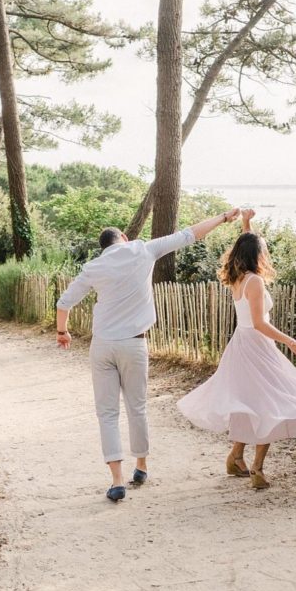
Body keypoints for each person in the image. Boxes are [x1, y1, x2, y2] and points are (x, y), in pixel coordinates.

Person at [56, 209, 240, 502]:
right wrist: (222, 218)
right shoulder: (143, 250)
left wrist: (63, 333)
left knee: (106, 413)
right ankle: (140, 466)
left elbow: (64, 302)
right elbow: (189, 235)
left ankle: (116, 480)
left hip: (102, 345)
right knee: (137, 407)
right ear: (125, 239)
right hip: (134, 343)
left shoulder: (94, 267)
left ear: (103, 247)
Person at [177, 209, 296, 489]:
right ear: (257, 254)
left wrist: (246, 223)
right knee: (272, 403)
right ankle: (257, 469)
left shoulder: (238, 277)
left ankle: (235, 457)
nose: (266, 253)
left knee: (250, 403)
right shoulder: (254, 281)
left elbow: (247, 242)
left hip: (241, 346)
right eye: (263, 249)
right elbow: (259, 323)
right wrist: (289, 340)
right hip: (256, 347)